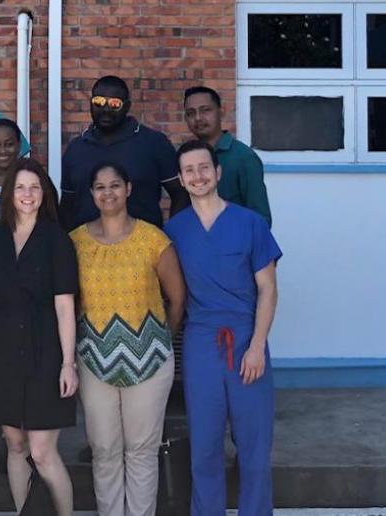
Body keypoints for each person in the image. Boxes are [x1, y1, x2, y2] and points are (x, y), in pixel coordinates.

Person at [164, 140, 282, 516]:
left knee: (254, 447)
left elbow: (268, 289)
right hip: (201, 343)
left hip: (247, 338)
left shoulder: (250, 224)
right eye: (189, 171)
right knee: (205, 446)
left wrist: (257, 346)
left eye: (204, 168)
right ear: (181, 180)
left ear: (217, 173)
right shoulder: (174, 231)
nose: (197, 176)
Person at [71, 162, 187, 516]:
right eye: (101, 187)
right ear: (92, 194)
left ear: (129, 189)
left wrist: (160, 342)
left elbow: (178, 298)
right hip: (93, 361)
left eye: (115, 185)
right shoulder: (75, 242)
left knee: (141, 449)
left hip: (150, 361)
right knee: (104, 450)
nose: (108, 193)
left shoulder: (153, 239)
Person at [0, 157, 78, 516]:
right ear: (9, 193)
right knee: (15, 443)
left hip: (46, 349)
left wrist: (68, 364)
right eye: (20, 187)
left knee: (42, 451)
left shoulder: (57, 239)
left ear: (44, 193)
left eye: (34, 187)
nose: (27, 194)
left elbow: (65, 305)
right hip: (3, 348)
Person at [60, 75, 187, 231]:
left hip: (144, 248)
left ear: (127, 107)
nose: (106, 109)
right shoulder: (75, 149)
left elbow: (180, 193)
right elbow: (67, 205)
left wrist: (173, 234)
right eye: (98, 102)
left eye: (115, 104)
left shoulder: (154, 143)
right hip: (86, 250)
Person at [182, 85, 272, 226]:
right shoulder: (187, 158)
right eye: (191, 113)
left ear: (221, 112)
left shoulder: (243, 157)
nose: (198, 118)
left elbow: (261, 219)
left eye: (205, 110)